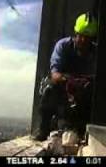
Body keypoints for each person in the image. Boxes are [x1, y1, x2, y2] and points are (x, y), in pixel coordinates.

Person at [34, 12, 98, 141]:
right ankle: (43, 130)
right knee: (49, 87)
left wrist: (85, 84)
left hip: (84, 96)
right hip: (63, 90)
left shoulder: (96, 52)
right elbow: (55, 73)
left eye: (88, 37)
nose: (84, 41)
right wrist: (70, 81)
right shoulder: (63, 46)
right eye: (82, 36)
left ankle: (81, 129)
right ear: (76, 33)